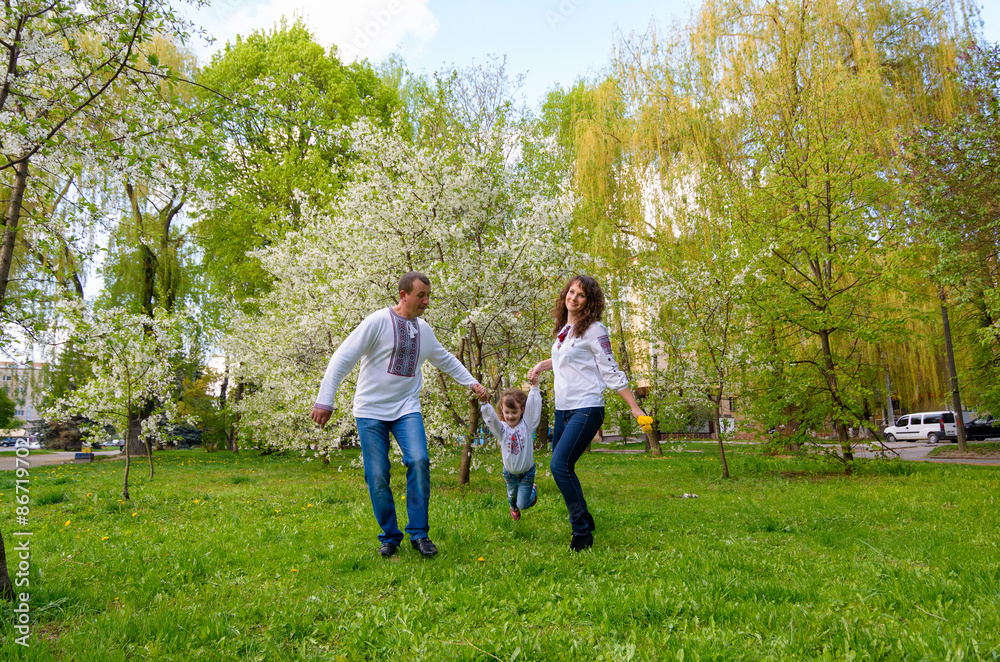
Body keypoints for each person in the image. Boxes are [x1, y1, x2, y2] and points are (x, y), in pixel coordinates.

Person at [311, 272, 489, 558]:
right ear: (403, 295)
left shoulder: (424, 330)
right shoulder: (377, 322)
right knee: (377, 474)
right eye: (421, 296)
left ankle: (419, 534)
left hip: (406, 408)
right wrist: (325, 400)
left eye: (429, 296)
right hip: (370, 410)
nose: (426, 302)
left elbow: (444, 359)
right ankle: (390, 537)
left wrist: (472, 382)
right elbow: (343, 358)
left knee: (419, 460)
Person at [527, 274, 649, 552]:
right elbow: (562, 358)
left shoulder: (595, 330)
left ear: (589, 301)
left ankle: (581, 531)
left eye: (580, 295)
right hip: (563, 410)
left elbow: (610, 369)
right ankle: (584, 517)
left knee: (559, 466)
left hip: (587, 407)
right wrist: (540, 366)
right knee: (561, 468)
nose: (573, 298)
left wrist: (634, 406)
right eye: (571, 292)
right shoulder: (564, 330)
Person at [479, 378, 541, 521]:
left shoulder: (527, 425)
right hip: (509, 473)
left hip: (527, 473)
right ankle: (513, 508)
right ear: (502, 410)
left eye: (514, 412)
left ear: (522, 410)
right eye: (507, 412)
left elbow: (534, 408)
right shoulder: (502, 429)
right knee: (512, 496)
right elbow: (492, 420)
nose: (510, 416)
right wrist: (484, 403)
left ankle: (532, 490)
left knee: (523, 504)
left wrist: (534, 387)